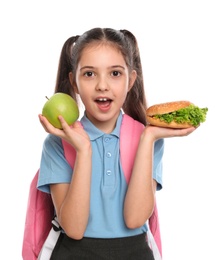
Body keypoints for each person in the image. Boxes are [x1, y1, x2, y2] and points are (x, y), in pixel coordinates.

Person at [37, 27, 196, 260]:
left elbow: (134, 219)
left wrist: (149, 138)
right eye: (89, 74)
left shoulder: (148, 138)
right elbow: (74, 228)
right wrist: (83, 151)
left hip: (135, 252)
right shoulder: (58, 143)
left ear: (131, 80)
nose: (103, 85)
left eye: (115, 73)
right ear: (74, 82)